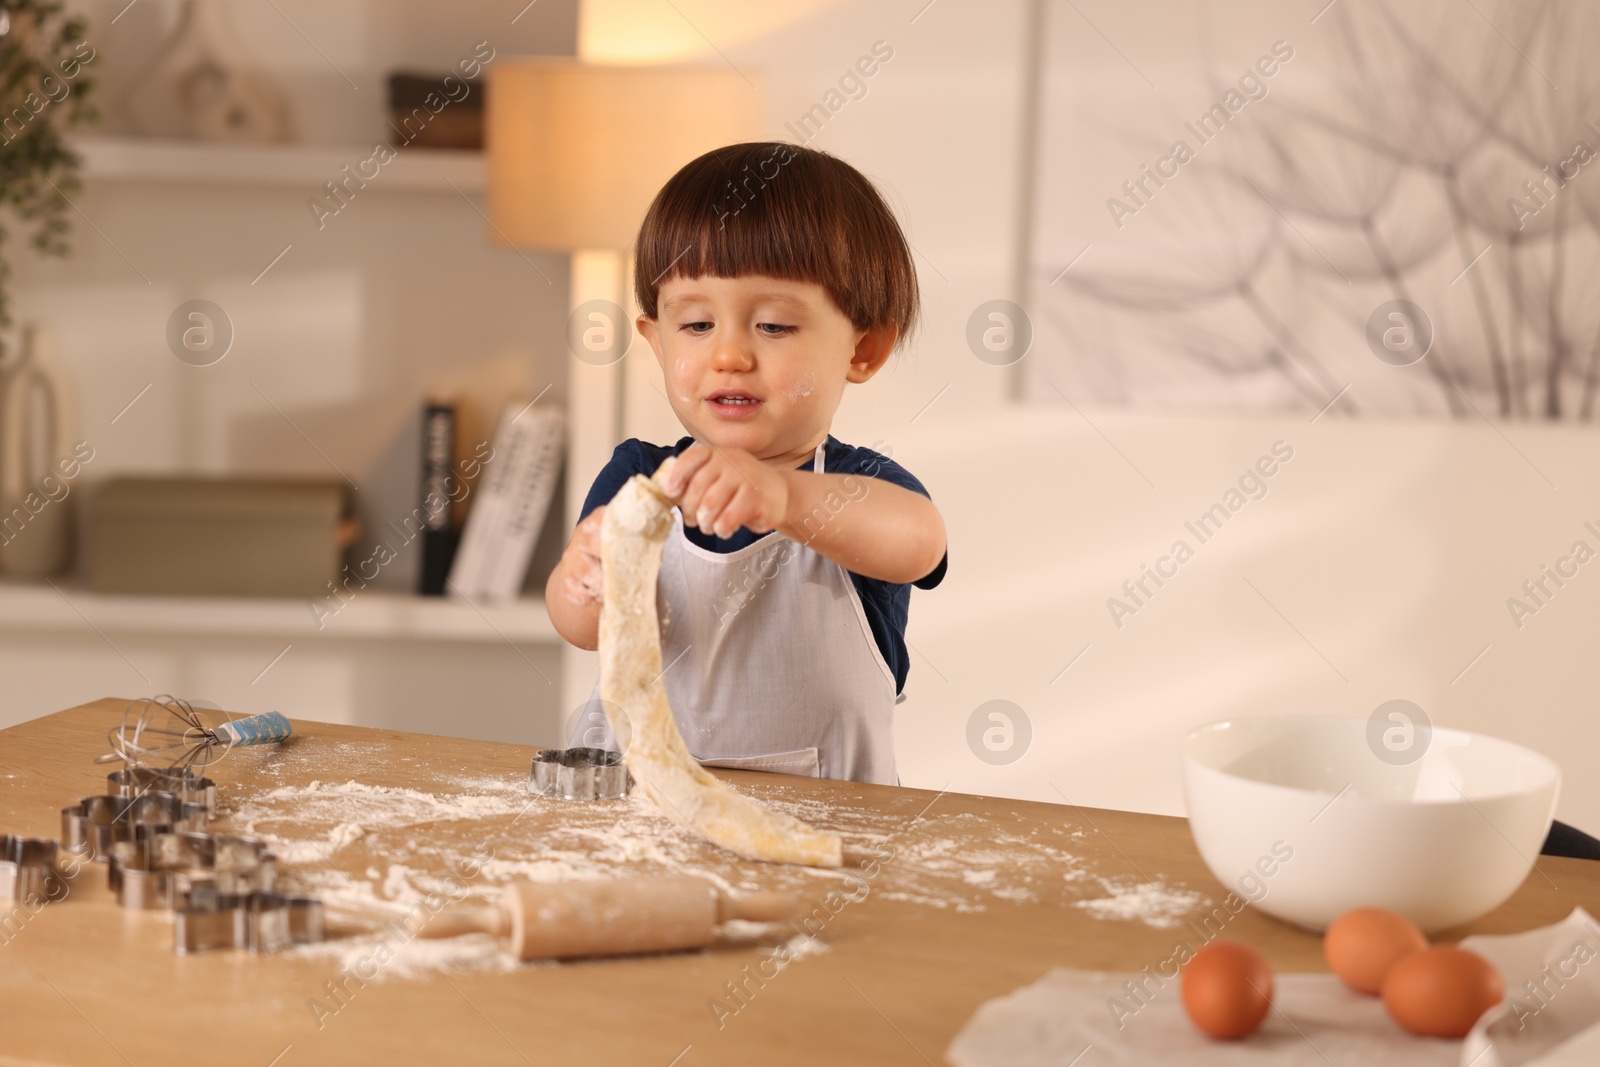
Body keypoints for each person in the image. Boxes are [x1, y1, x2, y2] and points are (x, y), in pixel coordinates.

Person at [545, 141, 948, 786]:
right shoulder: (641, 478)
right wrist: (582, 581)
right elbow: (585, 630)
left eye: (774, 327)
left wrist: (786, 498)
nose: (729, 354)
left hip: (823, 846)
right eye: (698, 325)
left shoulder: (856, 490)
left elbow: (920, 543)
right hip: (637, 824)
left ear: (863, 349)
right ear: (656, 341)